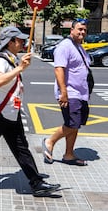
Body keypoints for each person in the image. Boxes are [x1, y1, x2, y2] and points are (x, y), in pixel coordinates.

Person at [0, 26, 61, 197]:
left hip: (11, 112)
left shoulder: (11, 58)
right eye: (20, 40)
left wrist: (20, 66)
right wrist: (20, 68)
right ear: (10, 42)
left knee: (21, 148)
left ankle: (36, 183)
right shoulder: (0, 60)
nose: (23, 42)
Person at [42, 19, 90, 166]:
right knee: (72, 123)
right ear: (72, 30)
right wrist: (63, 92)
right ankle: (50, 141)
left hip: (81, 93)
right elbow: (59, 69)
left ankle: (69, 154)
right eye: (79, 29)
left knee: (76, 125)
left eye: (84, 30)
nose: (82, 32)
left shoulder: (79, 47)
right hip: (70, 93)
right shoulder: (65, 46)